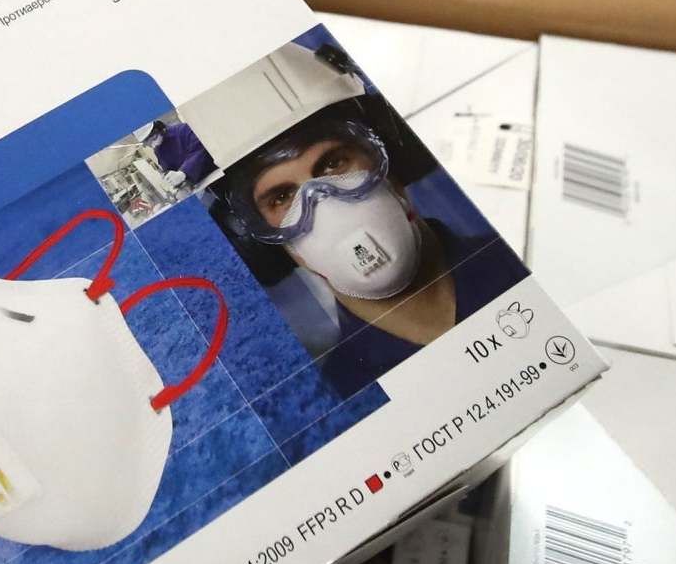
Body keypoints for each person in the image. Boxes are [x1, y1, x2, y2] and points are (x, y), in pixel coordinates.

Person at [179, 42, 524, 399]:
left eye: (333, 163)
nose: (323, 202)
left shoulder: (523, 255)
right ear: (258, 242)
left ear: (391, 159)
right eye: (282, 197)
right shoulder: (348, 396)